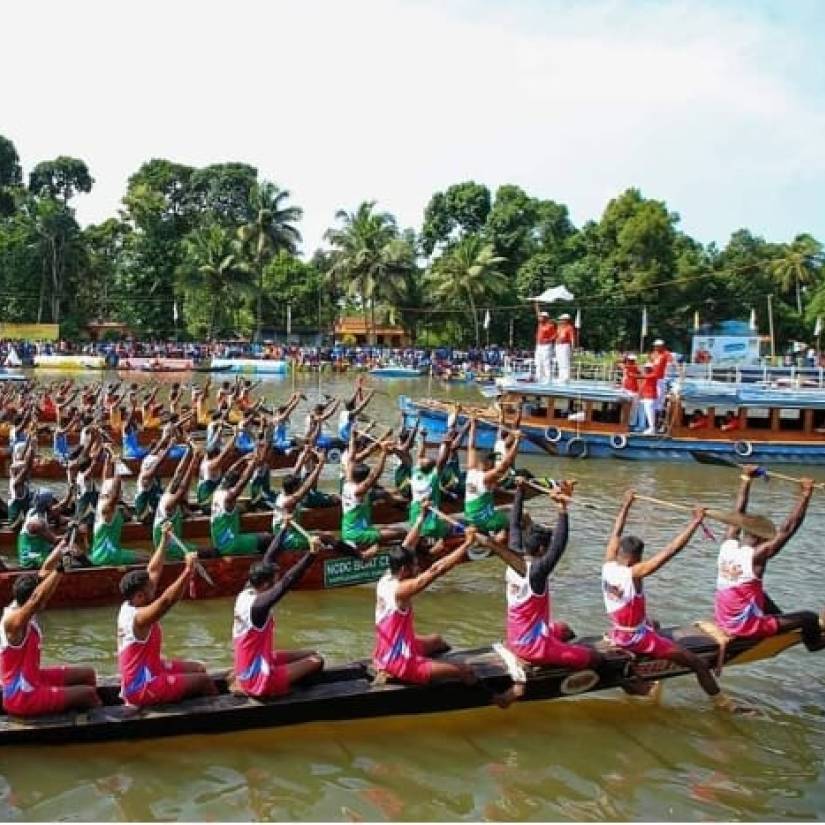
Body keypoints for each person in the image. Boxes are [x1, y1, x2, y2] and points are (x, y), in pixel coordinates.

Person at [486, 478, 602, 704]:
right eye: (545, 549)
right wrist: (562, 510)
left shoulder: (516, 555)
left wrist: (519, 491)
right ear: (540, 549)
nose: (548, 551)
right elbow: (560, 545)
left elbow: (515, 525)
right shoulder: (537, 572)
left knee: (565, 630)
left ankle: (560, 655)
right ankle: (549, 676)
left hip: (516, 636)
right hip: (533, 647)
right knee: (595, 658)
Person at [602, 491, 724, 702]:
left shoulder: (608, 564)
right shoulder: (635, 574)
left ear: (620, 552)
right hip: (635, 639)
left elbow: (615, 532)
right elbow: (670, 551)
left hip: (618, 631)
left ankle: (650, 670)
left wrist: (626, 503)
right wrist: (695, 522)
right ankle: (724, 703)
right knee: (698, 664)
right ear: (637, 558)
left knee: (655, 622)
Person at [373, 519, 491, 689]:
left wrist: (421, 517)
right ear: (404, 570)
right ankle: (488, 696)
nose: (418, 568)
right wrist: (467, 544)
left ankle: (439, 666)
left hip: (387, 651)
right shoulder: (401, 590)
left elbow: (408, 544)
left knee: (437, 641)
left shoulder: (386, 578)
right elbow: (437, 570)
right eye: (415, 565)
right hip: (401, 663)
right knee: (466, 671)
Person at [714, 468, 825, 649]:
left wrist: (746, 478)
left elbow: (737, 512)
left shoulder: (728, 545)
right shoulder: (756, 556)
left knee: (759, 595)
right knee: (809, 617)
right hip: (745, 628)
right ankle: (814, 644)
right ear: (762, 538)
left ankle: (782, 622)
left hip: (724, 619)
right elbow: (789, 527)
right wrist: (805, 494)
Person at [117, 526, 216, 707]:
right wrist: (187, 571)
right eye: (150, 588)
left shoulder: (131, 603)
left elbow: (153, 570)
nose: (154, 588)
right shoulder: (139, 617)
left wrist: (164, 540)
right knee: (204, 681)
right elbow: (166, 601)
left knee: (199, 668)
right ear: (139, 595)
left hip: (151, 668)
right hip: (142, 687)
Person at [1, 541, 100, 716]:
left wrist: (63, 546)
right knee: (88, 694)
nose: (48, 599)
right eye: (44, 597)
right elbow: (37, 599)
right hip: (22, 697)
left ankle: (77, 709)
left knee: (88, 674)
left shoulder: (21, 601)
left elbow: (46, 568)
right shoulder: (12, 621)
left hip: (34, 677)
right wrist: (61, 569)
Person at [231, 527, 325, 698]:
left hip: (248, 666)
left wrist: (284, 528)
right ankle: (283, 691)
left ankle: (262, 680)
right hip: (258, 680)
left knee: (311, 653)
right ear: (266, 585)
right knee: (317, 661)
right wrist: (311, 554)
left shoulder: (246, 592)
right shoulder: (259, 606)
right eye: (274, 580)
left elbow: (269, 556)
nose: (276, 582)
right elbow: (288, 581)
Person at [341, 441, 407, 554]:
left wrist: (352, 436)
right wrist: (384, 452)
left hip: (355, 530)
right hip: (357, 533)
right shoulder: (358, 491)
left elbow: (351, 460)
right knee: (402, 533)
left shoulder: (347, 483)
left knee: (389, 530)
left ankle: (376, 546)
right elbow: (375, 475)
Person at [463, 417, 521, 543]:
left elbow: (471, 446)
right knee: (514, 518)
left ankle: (488, 529)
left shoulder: (471, 470)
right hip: (481, 519)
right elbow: (505, 465)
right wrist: (517, 441)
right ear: (489, 464)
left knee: (501, 509)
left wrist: (473, 424)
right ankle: (499, 538)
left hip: (470, 514)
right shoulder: (485, 478)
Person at [90, 451, 144, 567]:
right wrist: (118, 467)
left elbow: (105, 480)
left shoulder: (102, 500)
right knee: (146, 557)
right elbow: (114, 493)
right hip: (107, 555)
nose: (123, 493)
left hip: (102, 553)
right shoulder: (107, 507)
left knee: (142, 552)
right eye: (121, 492)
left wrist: (109, 458)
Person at [210, 455, 270, 555]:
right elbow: (242, 483)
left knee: (242, 508)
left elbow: (229, 472)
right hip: (231, 544)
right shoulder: (228, 498)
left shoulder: (218, 491)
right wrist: (252, 465)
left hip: (219, 542)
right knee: (268, 538)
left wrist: (242, 459)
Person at [17, 490, 63, 569]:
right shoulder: (37, 523)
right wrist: (69, 535)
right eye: (51, 501)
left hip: (37, 551)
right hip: (31, 559)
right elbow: (54, 540)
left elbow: (57, 514)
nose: (53, 503)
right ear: (47, 504)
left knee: (58, 551)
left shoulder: (33, 511)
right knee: (63, 550)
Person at [533, 306, 556, 384]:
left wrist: (548, 340)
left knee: (546, 362)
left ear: (546, 318)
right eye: (541, 317)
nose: (541, 318)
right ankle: (539, 377)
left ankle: (548, 379)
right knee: (538, 362)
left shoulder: (550, 325)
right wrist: (536, 304)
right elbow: (537, 313)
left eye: (542, 317)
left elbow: (554, 335)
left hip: (546, 346)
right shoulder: (540, 324)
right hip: (539, 345)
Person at [555, 313, 576, 382]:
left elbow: (572, 338)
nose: (561, 321)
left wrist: (573, 347)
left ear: (566, 320)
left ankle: (566, 377)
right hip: (558, 345)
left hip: (565, 345)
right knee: (559, 361)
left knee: (565, 361)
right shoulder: (559, 327)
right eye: (561, 319)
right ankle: (561, 376)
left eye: (562, 319)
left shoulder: (569, 327)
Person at [639, 364, 658, 435]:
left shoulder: (652, 375)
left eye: (646, 368)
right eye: (645, 368)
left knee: (650, 414)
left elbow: (641, 376)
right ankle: (651, 428)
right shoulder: (648, 376)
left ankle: (652, 428)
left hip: (650, 398)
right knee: (648, 413)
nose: (645, 369)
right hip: (647, 398)